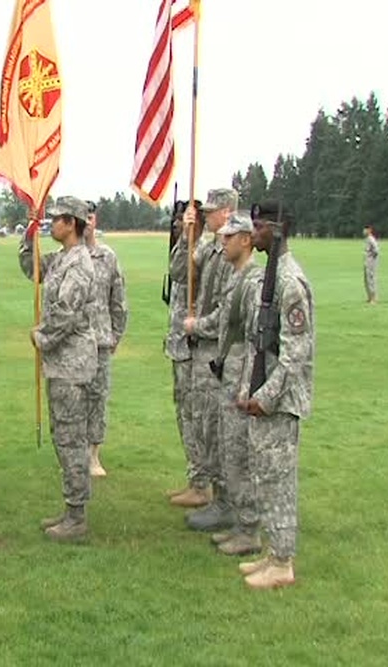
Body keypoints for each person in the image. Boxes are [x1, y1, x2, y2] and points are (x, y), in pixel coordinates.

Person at [235, 200, 315, 590]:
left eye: (261, 226)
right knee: (263, 477)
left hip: (280, 404)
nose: (254, 232)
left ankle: (283, 562)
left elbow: (296, 352)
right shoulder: (270, 275)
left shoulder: (289, 282)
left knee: (278, 479)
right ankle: (272, 551)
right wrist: (246, 388)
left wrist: (265, 397)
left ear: (279, 229)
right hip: (263, 396)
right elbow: (258, 343)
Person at [19, 196, 98, 540]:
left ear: (72, 223)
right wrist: (30, 231)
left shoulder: (79, 264)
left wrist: (41, 337)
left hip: (72, 364)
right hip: (61, 365)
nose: (52, 224)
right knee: (63, 438)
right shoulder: (63, 259)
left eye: (56, 220)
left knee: (70, 439)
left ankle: (77, 518)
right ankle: (71, 509)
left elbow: (65, 312)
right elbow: (31, 268)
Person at [174, 189, 239, 532]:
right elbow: (180, 274)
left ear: (227, 213)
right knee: (201, 423)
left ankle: (224, 501)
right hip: (202, 348)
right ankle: (213, 495)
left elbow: (227, 312)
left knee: (217, 428)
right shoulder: (208, 247)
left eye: (211, 212)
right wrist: (187, 237)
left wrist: (196, 324)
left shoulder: (232, 255)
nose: (206, 217)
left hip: (217, 350)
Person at [208, 213, 264, 557]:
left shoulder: (253, 281)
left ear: (245, 239)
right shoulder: (236, 277)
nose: (223, 242)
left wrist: (248, 385)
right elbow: (222, 320)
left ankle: (249, 530)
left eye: (229, 237)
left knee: (241, 454)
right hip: (230, 373)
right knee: (230, 451)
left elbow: (257, 339)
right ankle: (241, 525)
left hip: (243, 377)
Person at [83, 201, 128, 477]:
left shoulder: (107, 257)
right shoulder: (67, 255)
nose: (86, 222)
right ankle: (75, 453)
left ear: (95, 220)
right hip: (72, 343)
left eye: (90, 216)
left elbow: (118, 299)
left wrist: (116, 334)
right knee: (74, 401)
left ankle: (94, 455)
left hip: (99, 340)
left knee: (98, 398)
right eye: (82, 217)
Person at [164, 200, 202, 502]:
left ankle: (202, 484)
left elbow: (179, 272)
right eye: (176, 221)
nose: (178, 225)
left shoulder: (204, 251)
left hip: (195, 350)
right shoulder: (184, 248)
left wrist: (189, 239)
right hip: (179, 346)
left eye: (184, 220)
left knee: (195, 417)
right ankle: (196, 479)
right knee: (184, 416)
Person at [363, 225, 379, 304]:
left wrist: (371, 259)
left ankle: (374, 298)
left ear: (369, 230)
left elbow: (376, 250)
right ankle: (369, 297)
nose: (364, 231)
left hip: (371, 263)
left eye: (365, 230)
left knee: (371, 280)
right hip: (366, 262)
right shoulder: (366, 239)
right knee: (366, 280)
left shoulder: (371, 239)